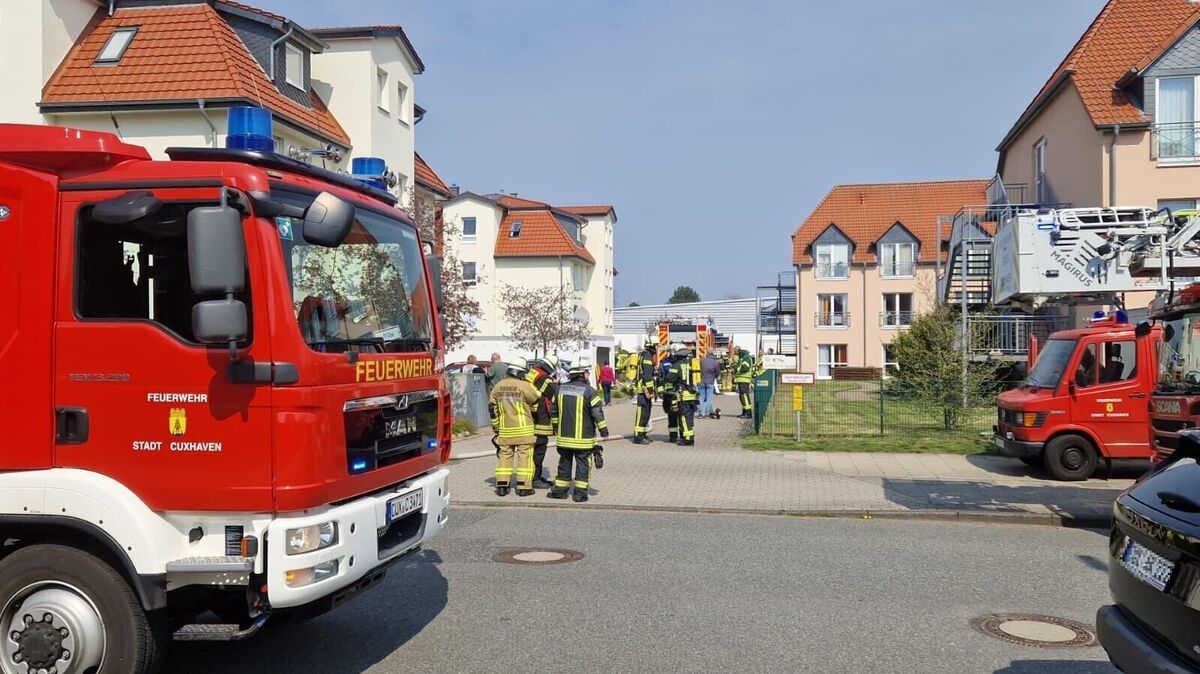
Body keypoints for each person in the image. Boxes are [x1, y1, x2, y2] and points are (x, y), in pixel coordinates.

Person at [548, 365, 609, 502]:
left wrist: (557, 428)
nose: (588, 374)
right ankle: (579, 494)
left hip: (564, 438)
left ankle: (560, 491)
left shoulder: (559, 390)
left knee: (564, 463)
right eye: (587, 372)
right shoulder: (589, 392)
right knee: (583, 465)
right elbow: (597, 414)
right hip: (583, 439)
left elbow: (554, 412)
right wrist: (604, 431)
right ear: (582, 374)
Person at [489, 357, 541, 496]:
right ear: (520, 372)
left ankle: (502, 486)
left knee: (505, 456)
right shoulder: (524, 385)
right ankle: (524, 487)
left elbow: (492, 408)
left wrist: (496, 427)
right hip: (524, 430)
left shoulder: (498, 386)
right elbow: (536, 399)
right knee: (525, 456)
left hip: (505, 430)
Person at [526, 355, 559, 488]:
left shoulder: (533, 372)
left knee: (535, 448)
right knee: (540, 447)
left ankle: (536, 475)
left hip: (531, 415)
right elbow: (555, 393)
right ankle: (534, 478)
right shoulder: (543, 377)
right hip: (539, 417)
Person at [667, 346, 698, 445]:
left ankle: (688, 439)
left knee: (684, 417)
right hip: (692, 395)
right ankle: (689, 435)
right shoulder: (692, 364)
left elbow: (670, 378)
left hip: (683, 395)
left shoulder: (677, 365)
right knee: (689, 417)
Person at [632, 342, 656, 444]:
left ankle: (642, 434)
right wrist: (650, 389)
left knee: (646, 414)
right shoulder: (647, 356)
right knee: (642, 414)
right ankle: (638, 437)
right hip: (643, 390)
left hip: (643, 388)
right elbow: (647, 375)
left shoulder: (644, 354)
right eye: (656, 345)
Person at [659, 344, 681, 442]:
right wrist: (660, 391)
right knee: (671, 416)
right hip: (669, 394)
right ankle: (673, 436)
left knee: (681, 415)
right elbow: (660, 377)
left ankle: (684, 435)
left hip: (680, 393)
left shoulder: (681, 362)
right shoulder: (664, 362)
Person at [699, 350, 721, 418]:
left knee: (701, 398)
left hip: (701, 382)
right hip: (710, 382)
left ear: (707, 353)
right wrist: (713, 377)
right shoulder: (715, 363)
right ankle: (706, 412)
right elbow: (717, 373)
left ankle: (700, 413)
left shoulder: (701, 361)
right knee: (709, 398)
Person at [734, 349, 754, 419]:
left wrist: (737, 369)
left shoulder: (746, 358)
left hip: (744, 380)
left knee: (744, 396)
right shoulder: (744, 357)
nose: (738, 353)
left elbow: (745, 368)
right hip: (742, 380)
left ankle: (748, 413)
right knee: (742, 397)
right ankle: (745, 412)